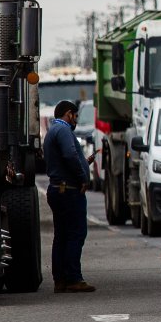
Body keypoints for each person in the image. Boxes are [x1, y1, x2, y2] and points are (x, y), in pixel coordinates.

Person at [44, 100, 97, 293]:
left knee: (62, 236)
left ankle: (61, 279)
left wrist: (85, 162)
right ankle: (74, 278)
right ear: (68, 114)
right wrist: (83, 177)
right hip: (69, 191)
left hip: (58, 189)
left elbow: (67, 159)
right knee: (75, 233)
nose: (76, 120)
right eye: (75, 115)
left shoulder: (53, 131)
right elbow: (69, 155)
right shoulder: (64, 130)